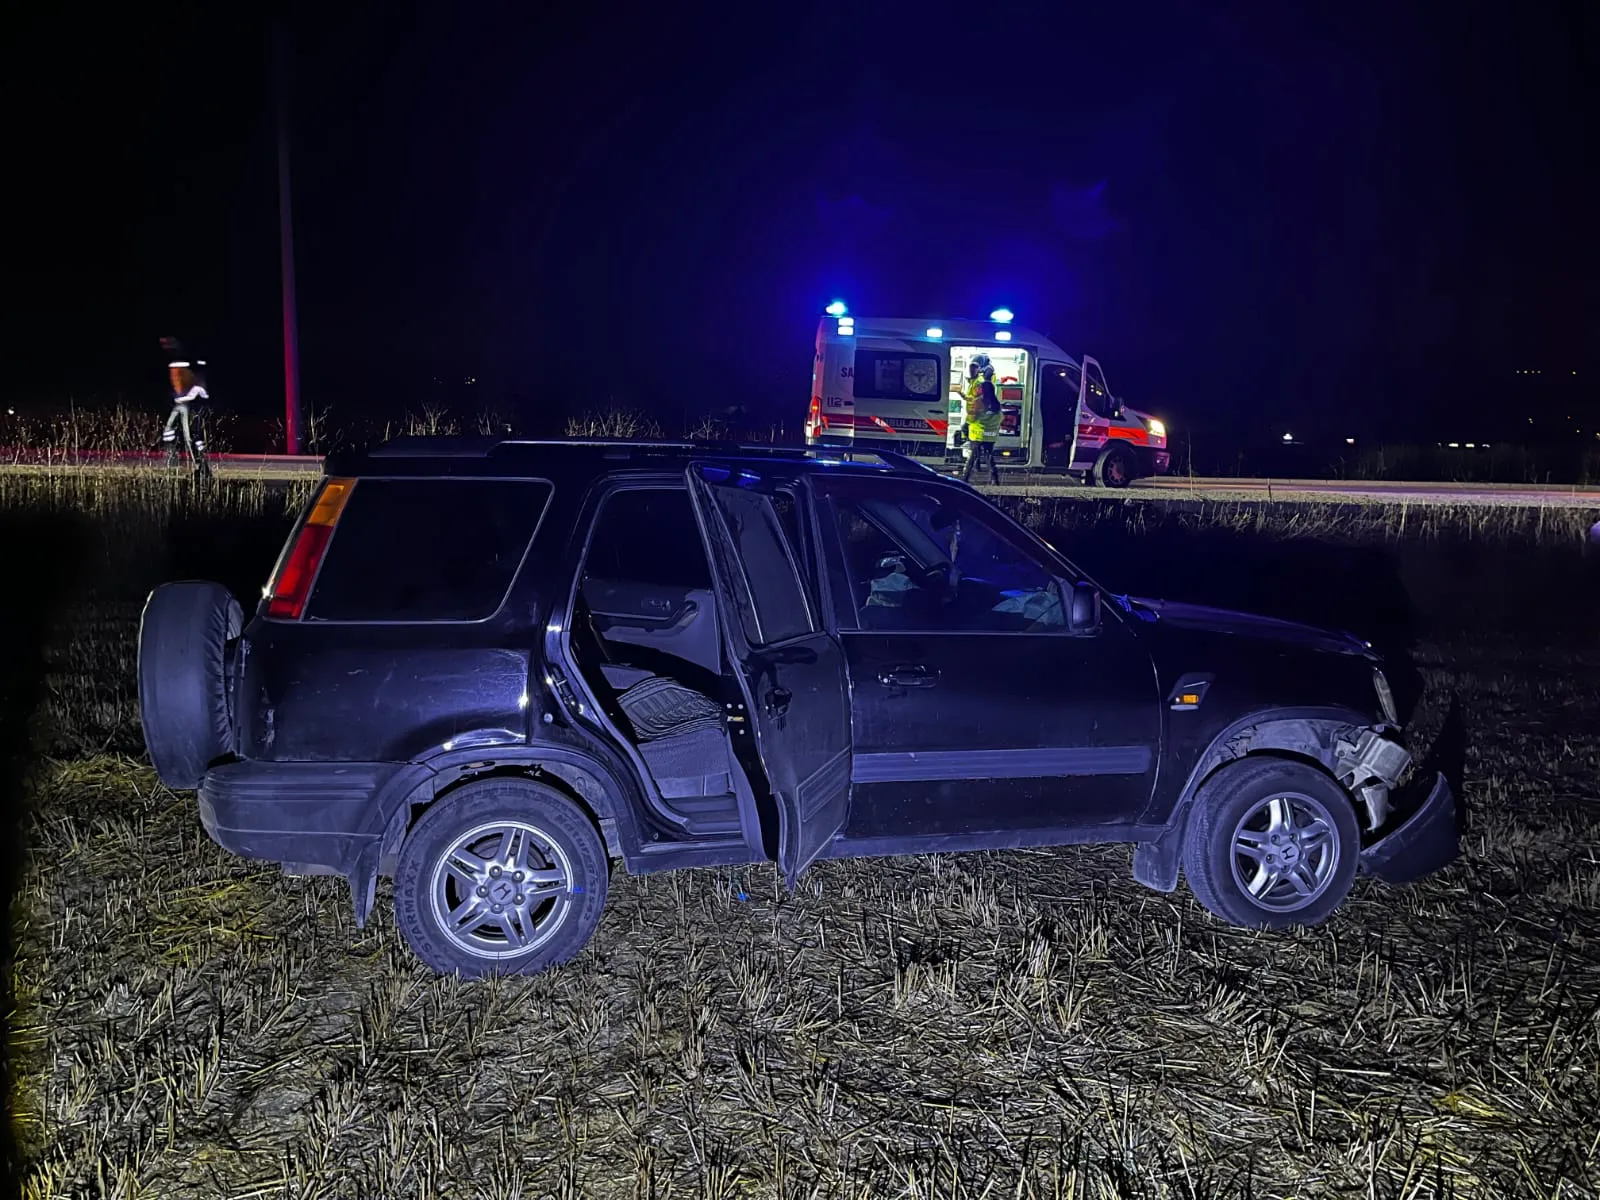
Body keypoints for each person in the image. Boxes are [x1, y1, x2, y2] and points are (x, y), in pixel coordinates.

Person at [158, 336, 212, 478]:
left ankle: (201, 467)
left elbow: (198, 379)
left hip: (188, 403)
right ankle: (173, 461)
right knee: (169, 432)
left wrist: (196, 392)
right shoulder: (175, 360)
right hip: (181, 402)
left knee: (191, 437)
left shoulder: (189, 360)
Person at [961, 353, 1002, 485]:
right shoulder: (996, 404)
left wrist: (967, 425)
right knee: (990, 458)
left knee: (972, 457)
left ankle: (964, 479)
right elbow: (1000, 418)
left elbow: (972, 417)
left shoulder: (979, 402)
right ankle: (995, 481)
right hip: (990, 435)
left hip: (977, 434)